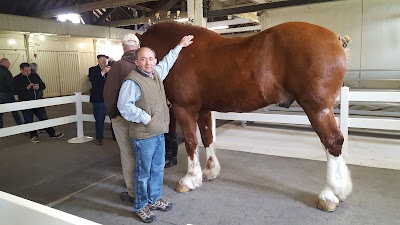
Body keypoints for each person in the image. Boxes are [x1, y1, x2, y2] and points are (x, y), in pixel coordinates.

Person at [117, 35, 194, 223]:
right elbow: (124, 106)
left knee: (158, 169)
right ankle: (141, 206)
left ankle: (153, 199)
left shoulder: (157, 73)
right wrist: (146, 118)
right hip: (143, 136)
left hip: (159, 133)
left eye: (150, 59)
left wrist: (179, 46)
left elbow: (168, 61)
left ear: (155, 61)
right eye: (143, 59)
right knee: (143, 173)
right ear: (136, 62)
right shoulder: (132, 81)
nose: (147, 62)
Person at [103, 33, 140, 203]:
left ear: (123, 47)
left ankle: (133, 191)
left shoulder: (119, 66)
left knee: (128, 154)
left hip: (124, 117)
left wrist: (113, 115)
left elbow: (109, 93)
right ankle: (147, 188)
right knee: (144, 154)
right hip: (144, 118)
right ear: (138, 47)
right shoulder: (148, 65)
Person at [12, 63, 64, 143]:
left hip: (38, 101)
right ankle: (33, 136)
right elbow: (14, 91)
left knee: (44, 118)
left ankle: (52, 133)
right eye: (26, 71)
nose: (28, 72)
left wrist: (39, 87)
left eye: (29, 70)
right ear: (21, 70)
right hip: (25, 103)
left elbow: (43, 85)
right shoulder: (16, 79)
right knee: (29, 120)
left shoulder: (35, 76)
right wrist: (26, 88)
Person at [88, 54, 111, 145]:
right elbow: (93, 80)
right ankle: (99, 138)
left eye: (105, 59)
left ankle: (115, 137)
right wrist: (103, 73)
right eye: (101, 59)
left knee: (114, 119)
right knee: (99, 119)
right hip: (98, 99)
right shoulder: (92, 70)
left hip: (110, 99)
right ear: (98, 61)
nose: (103, 61)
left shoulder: (110, 70)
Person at [0, 58, 24, 128]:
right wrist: (14, 90)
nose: (9, 65)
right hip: (6, 93)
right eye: (8, 63)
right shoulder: (5, 71)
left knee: (0, 110)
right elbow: (10, 83)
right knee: (14, 109)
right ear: (4, 63)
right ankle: (20, 124)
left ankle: (0, 126)